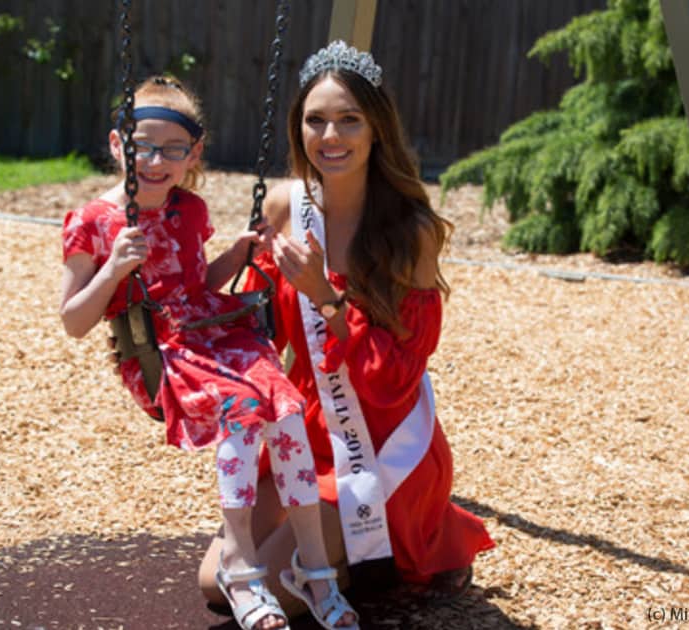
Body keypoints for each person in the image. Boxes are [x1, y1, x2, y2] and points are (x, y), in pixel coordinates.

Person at [197, 40, 495, 616]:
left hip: (379, 442)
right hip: (303, 430)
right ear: (299, 129)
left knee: (280, 592)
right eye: (316, 121)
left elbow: (395, 380)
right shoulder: (286, 207)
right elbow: (258, 338)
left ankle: (386, 549)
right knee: (218, 583)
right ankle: (342, 562)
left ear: (376, 129)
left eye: (348, 120)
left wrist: (328, 300)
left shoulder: (411, 234)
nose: (330, 137)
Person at [60, 75, 358, 630]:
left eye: (173, 149)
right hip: (160, 351)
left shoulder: (190, 210)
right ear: (116, 144)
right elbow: (73, 320)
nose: (155, 161)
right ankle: (240, 566)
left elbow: (197, 288)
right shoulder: (94, 222)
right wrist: (112, 268)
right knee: (244, 414)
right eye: (142, 145)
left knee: (287, 410)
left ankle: (314, 571)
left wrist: (235, 255)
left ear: (193, 154)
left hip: (216, 334)